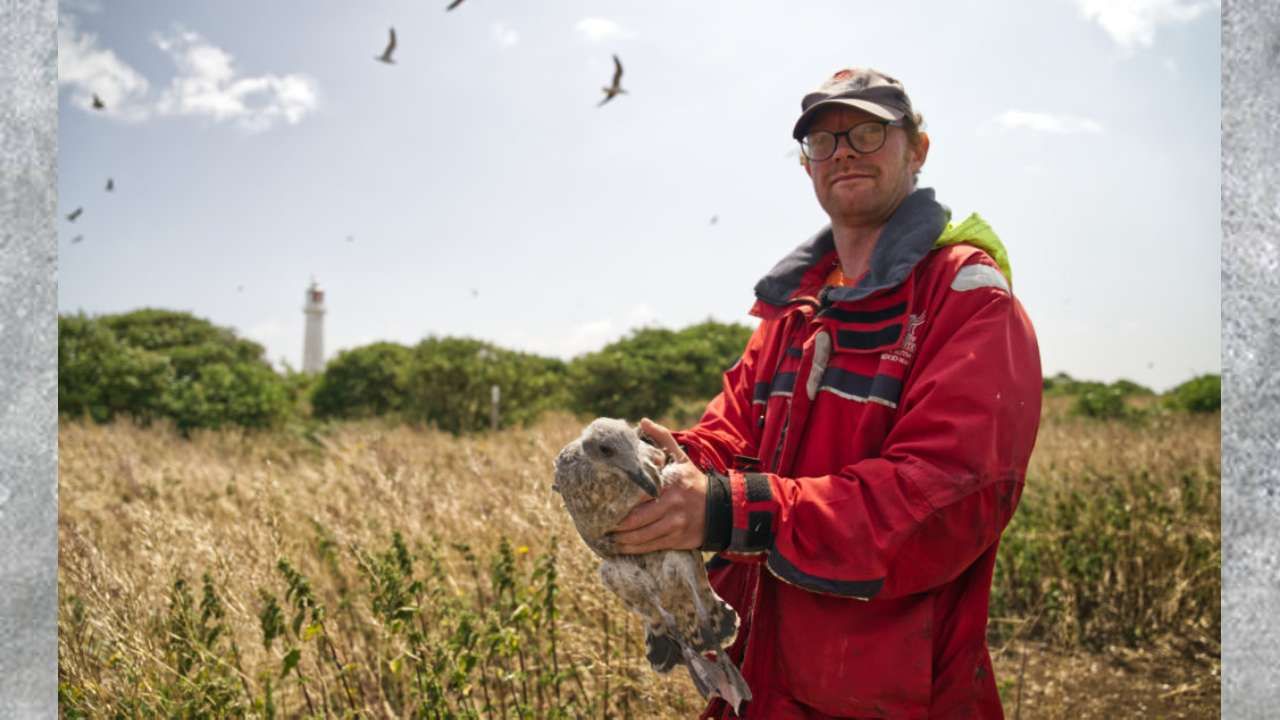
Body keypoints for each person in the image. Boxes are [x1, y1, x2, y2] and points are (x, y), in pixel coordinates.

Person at [609, 67, 1043, 718]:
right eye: (822, 140)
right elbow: (726, 443)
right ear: (808, 166)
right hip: (757, 686)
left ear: (918, 149)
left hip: (895, 697)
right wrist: (659, 474)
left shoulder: (966, 298)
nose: (842, 151)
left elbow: (949, 494)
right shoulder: (790, 314)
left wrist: (732, 510)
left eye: (867, 132)